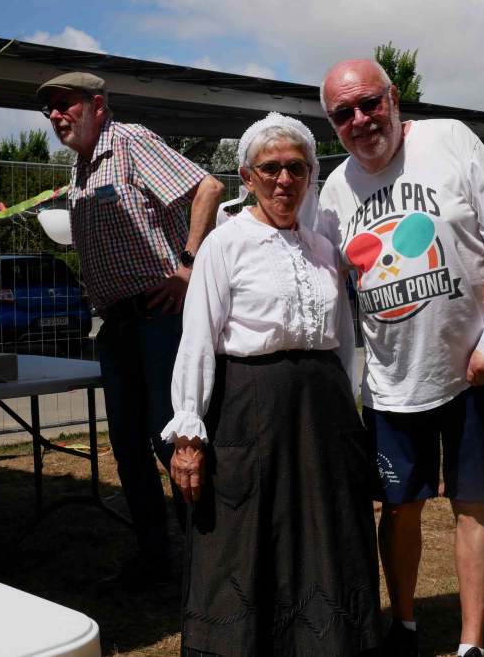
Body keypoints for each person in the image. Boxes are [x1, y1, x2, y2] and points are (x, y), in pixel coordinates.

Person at [316, 59, 484, 657]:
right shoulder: (334, 190)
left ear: (393, 98)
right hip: (389, 383)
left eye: (369, 104)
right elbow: (325, 282)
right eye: (343, 114)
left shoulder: (449, 139)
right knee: (399, 507)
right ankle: (405, 626)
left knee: (471, 502)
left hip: (470, 373)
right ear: (332, 123)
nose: (360, 121)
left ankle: (471, 644)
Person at [163, 113, 381, 657]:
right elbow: (197, 338)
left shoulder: (324, 248)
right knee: (247, 533)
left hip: (323, 410)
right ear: (248, 176)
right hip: (249, 407)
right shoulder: (225, 243)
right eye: (271, 169)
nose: (284, 180)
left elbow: (341, 337)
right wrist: (188, 434)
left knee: (325, 531)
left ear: (310, 175)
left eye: (296, 168)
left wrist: (349, 407)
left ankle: (327, 642)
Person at [36, 72, 224, 594]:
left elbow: (207, 187)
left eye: (64, 105)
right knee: (126, 443)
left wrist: (187, 267)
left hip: (158, 315)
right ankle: (154, 557)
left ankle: (206, 566)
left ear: (97, 105)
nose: (55, 116)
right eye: (49, 109)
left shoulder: (131, 142)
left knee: (172, 437)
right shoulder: (79, 169)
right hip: (116, 323)